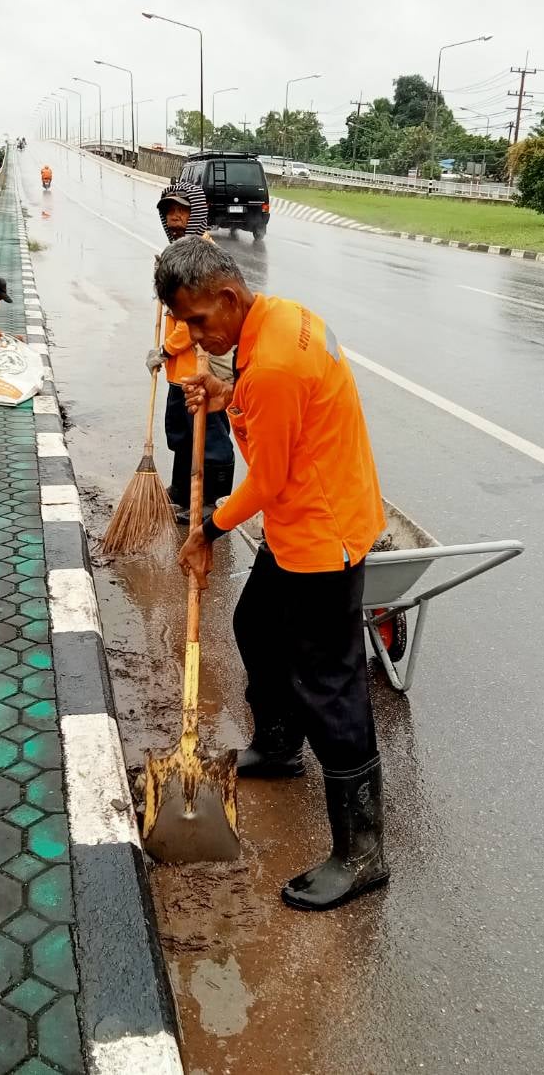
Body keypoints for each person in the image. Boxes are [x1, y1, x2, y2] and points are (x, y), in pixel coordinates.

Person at [159, 237, 388, 913]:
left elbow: (268, 478)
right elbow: (279, 414)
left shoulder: (275, 364)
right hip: (304, 518)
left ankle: (363, 853)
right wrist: (226, 392)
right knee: (255, 623)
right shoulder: (279, 320)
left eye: (198, 321)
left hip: (321, 533)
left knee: (330, 684)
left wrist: (206, 529)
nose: (193, 337)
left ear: (229, 297)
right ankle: (281, 744)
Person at [145, 183, 236, 520]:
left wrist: (165, 350)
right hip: (180, 370)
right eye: (169, 212)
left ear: (195, 213)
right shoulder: (174, 256)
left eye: (182, 211)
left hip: (204, 365)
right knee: (181, 433)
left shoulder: (204, 257)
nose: (175, 218)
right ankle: (182, 489)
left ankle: (213, 499)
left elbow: (192, 319)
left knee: (209, 433)